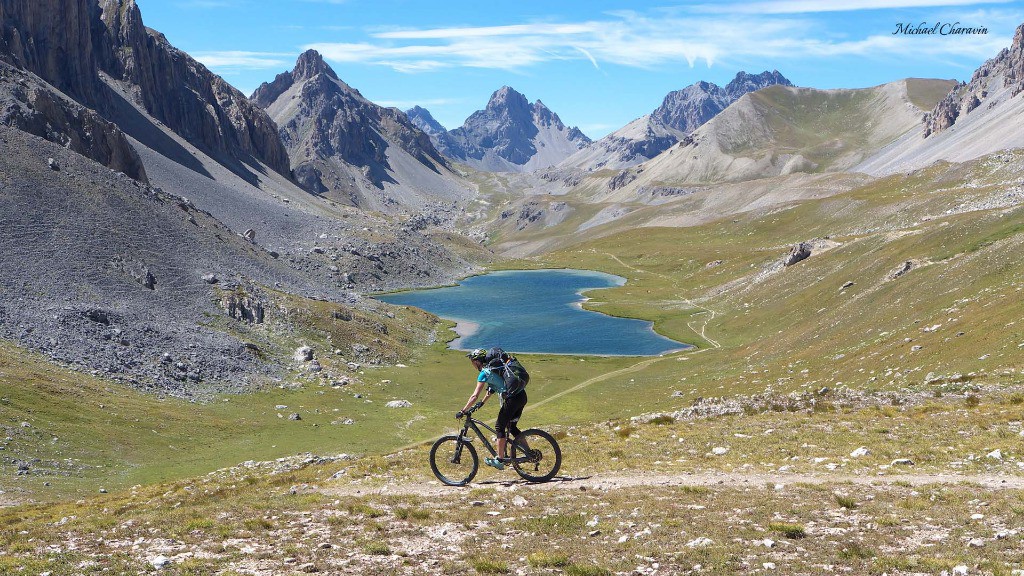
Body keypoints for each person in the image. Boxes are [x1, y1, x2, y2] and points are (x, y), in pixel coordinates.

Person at [457, 347, 528, 470]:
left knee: (499, 427)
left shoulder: (484, 373)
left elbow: (474, 396)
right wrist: (482, 403)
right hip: (521, 396)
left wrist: (463, 411)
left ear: (477, 361)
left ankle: (499, 460)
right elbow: (493, 389)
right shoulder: (494, 369)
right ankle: (530, 453)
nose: (473, 365)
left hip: (512, 399)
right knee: (512, 427)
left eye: (473, 362)